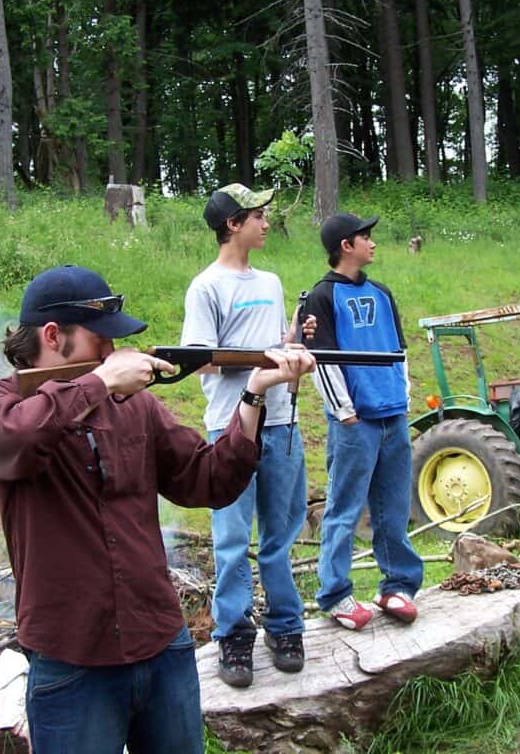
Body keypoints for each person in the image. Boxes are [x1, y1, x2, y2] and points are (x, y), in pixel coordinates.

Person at [0, 264, 314, 754]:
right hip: (72, 656)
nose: (112, 350)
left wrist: (255, 393)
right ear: (51, 335)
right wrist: (101, 381)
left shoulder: (135, 406)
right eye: (99, 339)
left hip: (160, 640)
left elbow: (209, 480)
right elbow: (16, 438)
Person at [181, 183, 309, 688]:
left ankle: (285, 624)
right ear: (233, 224)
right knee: (232, 539)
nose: (266, 221)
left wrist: (293, 350)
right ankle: (233, 633)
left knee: (280, 535)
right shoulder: (205, 287)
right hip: (231, 426)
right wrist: (260, 364)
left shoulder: (273, 281)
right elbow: (198, 361)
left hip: (282, 423)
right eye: (258, 214)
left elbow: (278, 344)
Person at [304, 213, 424, 630]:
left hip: (393, 414)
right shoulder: (320, 296)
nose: (372, 244)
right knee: (344, 507)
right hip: (355, 422)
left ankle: (399, 586)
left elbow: (399, 351)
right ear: (344, 246)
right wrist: (345, 411)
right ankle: (335, 593)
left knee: (392, 506)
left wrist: (402, 400)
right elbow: (321, 359)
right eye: (365, 237)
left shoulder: (383, 293)